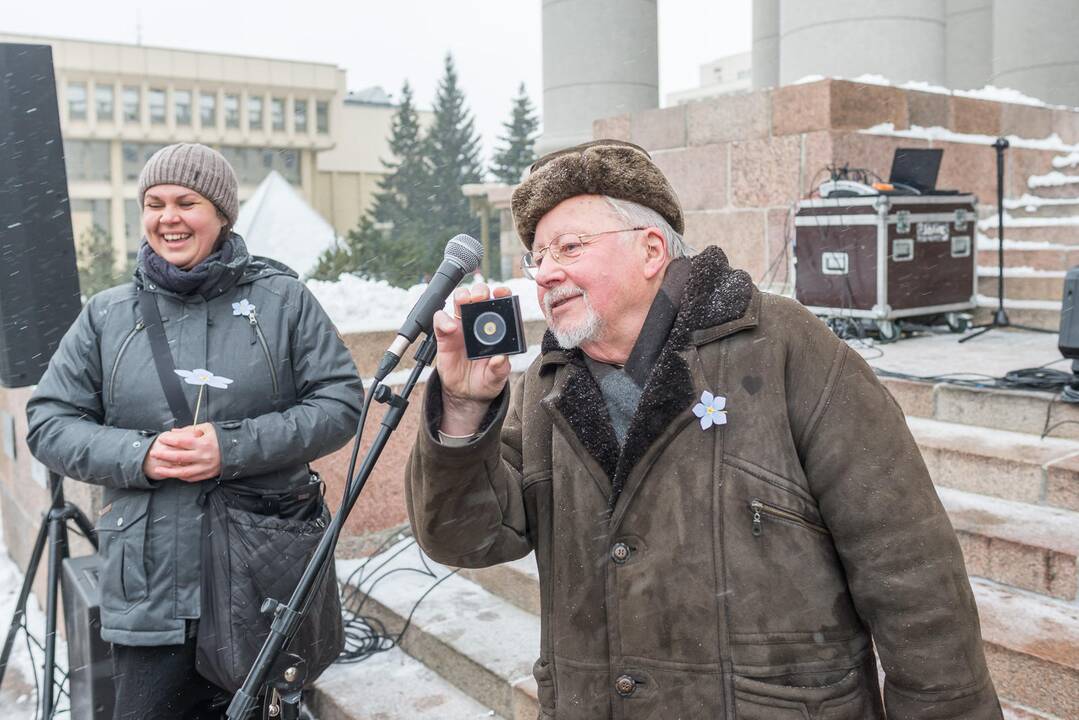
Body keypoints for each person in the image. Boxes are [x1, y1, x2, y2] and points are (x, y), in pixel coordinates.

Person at [405, 139, 1002, 719]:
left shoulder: (784, 347)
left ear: (650, 250)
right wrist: (462, 405)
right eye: (538, 256)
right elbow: (468, 538)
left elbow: (910, 572)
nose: (546, 273)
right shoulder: (546, 387)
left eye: (569, 247)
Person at [26, 143, 363, 719]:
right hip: (148, 588)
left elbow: (340, 403)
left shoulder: (282, 301)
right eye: (154, 203)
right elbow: (48, 422)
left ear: (222, 214)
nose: (168, 217)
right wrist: (141, 454)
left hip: (260, 578)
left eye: (187, 201)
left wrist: (230, 448)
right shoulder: (108, 315)